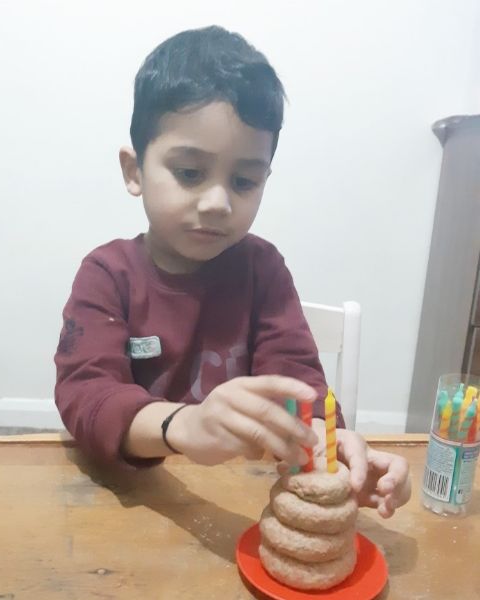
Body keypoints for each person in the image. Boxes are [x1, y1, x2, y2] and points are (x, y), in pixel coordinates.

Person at [54, 25, 411, 518]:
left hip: (243, 504)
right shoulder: (107, 274)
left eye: (244, 180)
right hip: (135, 502)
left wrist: (336, 443)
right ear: (134, 171)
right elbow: (87, 398)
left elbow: (297, 386)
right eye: (189, 173)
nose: (218, 202)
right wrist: (185, 426)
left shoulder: (263, 269)